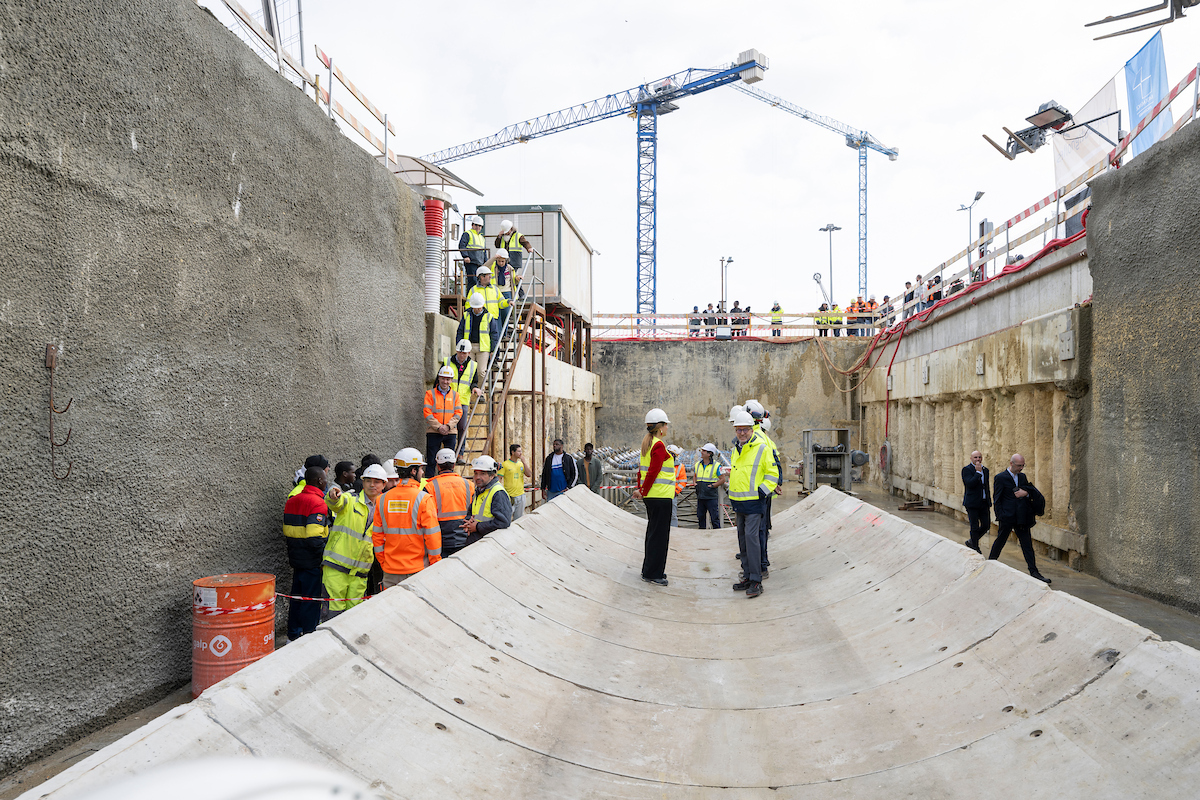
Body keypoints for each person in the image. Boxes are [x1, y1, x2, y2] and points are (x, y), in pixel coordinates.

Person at [321, 462, 386, 617]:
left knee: (354, 616)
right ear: (362, 482)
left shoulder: (384, 509)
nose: (372, 485)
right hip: (336, 568)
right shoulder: (350, 499)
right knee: (333, 614)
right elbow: (335, 502)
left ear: (384, 484)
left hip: (360, 574)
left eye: (376, 482)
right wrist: (333, 494)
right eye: (368, 481)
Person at [728, 407, 778, 598]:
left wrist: (761, 493)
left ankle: (756, 580)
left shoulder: (762, 448)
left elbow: (772, 474)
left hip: (754, 504)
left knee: (752, 539)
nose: (741, 433)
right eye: (738, 429)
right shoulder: (736, 450)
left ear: (751, 429)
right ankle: (747, 575)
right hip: (739, 503)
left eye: (745, 429)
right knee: (742, 541)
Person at [371, 448, 440, 588]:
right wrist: (435, 566)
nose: (422, 472)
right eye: (420, 469)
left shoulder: (382, 499)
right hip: (417, 570)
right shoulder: (423, 499)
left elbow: (377, 537)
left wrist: (385, 563)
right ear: (413, 471)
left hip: (390, 571)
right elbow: (432, 537)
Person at [282, 466, 331, 640]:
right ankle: (308, 636)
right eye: (325, 479)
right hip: (312, 560)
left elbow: (288, 530)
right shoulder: (318, 502)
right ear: (319, 481)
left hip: (296, 558)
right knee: (311, 601)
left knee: (296, 598)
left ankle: (292, 635)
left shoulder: (293, 499)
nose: (327, 482)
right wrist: (323, 556)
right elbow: (314, 537)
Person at [989, 453, 1050, 583]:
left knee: (1027, 544)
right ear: (1011, 464)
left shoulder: (1022, 476)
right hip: (1007, 517)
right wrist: (1000, 516)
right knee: (1000, 541)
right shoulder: (1000, 477)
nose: (1021, 468)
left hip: (1022, 517)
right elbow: (997, 499)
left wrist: (1026, 493)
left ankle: (1034, 571)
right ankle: (989, 564)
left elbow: (1028, 490)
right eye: (1019, 466)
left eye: (1023, 465)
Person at [637, 409, 674, 586]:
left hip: (652, 497)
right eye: (666, 424)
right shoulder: (658, 445)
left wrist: (642, 490)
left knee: (653, 534)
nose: (667, 427)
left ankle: (649, 570)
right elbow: (653, 471)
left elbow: (641, 471)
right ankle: (654, 573)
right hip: (660, 497)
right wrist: (643, 490)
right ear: (660, 428)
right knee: (659, 536)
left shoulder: (647, 443)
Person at [745, 399, 782, 576]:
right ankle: (758, 566)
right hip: (751, 495)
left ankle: (760, 566)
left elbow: (772, 468)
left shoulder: (757, 439)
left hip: (756, 496)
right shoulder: (760, 437)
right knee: (758, 532)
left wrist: (763, 491)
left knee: (758, 532)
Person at [427, 449, 475, 558]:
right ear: (454, 465)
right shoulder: (469, 485)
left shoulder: (429, 487)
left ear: (438, 466)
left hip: (440, 539)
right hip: (465, 536)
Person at [442, 339, 482, 451]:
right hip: (448, 399)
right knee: (448, 426)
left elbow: (474, 381)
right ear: (456, 351)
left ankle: (460, 452)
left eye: (464, 353)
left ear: (469, 353)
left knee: (462, 427)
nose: (461, 355)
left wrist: (475, 388)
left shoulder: (473, 365)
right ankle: (448, 450)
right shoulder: (447, 361)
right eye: (460, 352)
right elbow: (439, 379)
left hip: (463, 401)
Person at [463, 455, 512, 545]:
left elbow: (503, 521)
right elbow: (472, 512)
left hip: (490, 543)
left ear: (492, 475)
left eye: (483, 473)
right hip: (477, 539)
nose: (477, 477)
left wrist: (477, 526)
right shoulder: (479, 490)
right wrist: (468, 522)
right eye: (476, 473)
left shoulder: (497, 492)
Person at [424, 365, 461, 469]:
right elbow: (427, 412)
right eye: (443, 378)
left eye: (448, 379)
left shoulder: (455, 395)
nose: (445, 382)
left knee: (449, 463)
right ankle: (429, 483)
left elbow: (458, 413)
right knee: (431, 461)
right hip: (433, 431)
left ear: (451, 380)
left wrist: (448, 426)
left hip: (451, 431)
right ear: (439, 378)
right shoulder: (430, 394)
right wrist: (439, 427)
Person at [456, 293, 500, 369]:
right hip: (468, 347)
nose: (477, 309)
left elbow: (494, 334)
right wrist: (459, 346)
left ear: (483, 305)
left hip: (483, 348)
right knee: (468, 370)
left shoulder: (488, 316)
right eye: (475, 308)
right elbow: (460, 331)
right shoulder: (466, 315)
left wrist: (493, 350)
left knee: (481, 371)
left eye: (479, 307)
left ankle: (481, 382)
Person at [962, 451, 991, 554]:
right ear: (971, 458)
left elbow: (986, 487)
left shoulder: (985, 470)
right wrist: (978, 473)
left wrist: (989, 501)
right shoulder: (967, 470)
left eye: (979, 457)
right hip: (972, 503)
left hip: (983, 502)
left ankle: (972, 541)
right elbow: (970, 484)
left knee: (986, 525)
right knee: (974, 526)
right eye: (975, 457)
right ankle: (975, 546)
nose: (978, 459)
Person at [473, 261, 511, 333]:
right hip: (479, 320)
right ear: (482, 277)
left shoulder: (495, 289)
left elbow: (501, 303)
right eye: (488, 275)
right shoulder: (473, 290)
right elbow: (469, 306)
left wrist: (508, 301)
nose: (490, 277)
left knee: (495, 342)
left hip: (494, 320)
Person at [694, 443, 725, 529]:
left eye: (704, 451)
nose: (702, 452)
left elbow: (722, 479)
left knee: (714, 518)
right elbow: (695, 475)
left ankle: (717, 536)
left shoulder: (717, 466)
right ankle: (702, 536)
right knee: (700, 517)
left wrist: (712, 486)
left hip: (711, 497)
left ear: (709, 454)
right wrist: (695, 483)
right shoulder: (698, 464)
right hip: (700, 496)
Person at [457, 214, 488, 293]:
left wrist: (486, 262)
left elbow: (483, 251)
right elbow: (462, 245)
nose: (478, 227)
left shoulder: (482, 238)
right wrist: (465, 256)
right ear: (472, 225)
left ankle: (477, 298)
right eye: (476, 225)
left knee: (480, 282)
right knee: (473, 281)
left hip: (480, 263)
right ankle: (470, 299)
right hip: (471, 262)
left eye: (480, 226)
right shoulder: (467, 234)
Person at [540, 438, 577, 502]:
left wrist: (569, 487)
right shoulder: (549, 458)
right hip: (551, 492)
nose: (555, 446)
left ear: (561, 446)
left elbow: (574, 473)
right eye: (554, 444)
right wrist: (543, 489)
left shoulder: (568, 458)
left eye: (557, 444)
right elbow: (544, 474)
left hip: (564, 492)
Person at [501, 444, 530, 519]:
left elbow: (529, 474)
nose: (521, 453)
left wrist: (524, 463)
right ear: (512, 452)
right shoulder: (505, 464)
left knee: (519, 518)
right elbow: (499, 478)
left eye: (521, 451)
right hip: (510, 496)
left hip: (521, 495)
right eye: (519, 451)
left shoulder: (521, 464)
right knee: (507, 517)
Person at [667, 444, 685, 527]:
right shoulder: (661, 464)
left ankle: (673, 531)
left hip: (672, 494)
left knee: (672, 515)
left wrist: (676, 491)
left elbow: (683, 482)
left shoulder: (680, 467)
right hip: (661, 493)